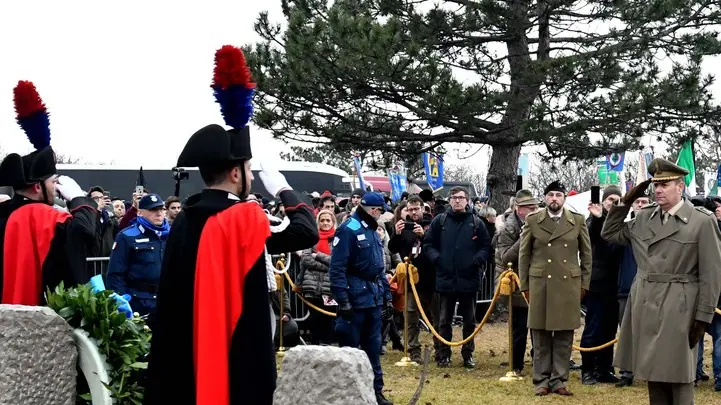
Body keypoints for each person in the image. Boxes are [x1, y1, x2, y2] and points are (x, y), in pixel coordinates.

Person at [144, 45, 318, 405]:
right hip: (237, 354)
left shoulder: (185, 218)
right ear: (237, 172)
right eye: (251, 169)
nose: (253, 176)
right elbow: (305, 230)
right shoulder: (245, 218)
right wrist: (284, 188)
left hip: (187, 351)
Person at [601, 158, 721, 405]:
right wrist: (624, 202)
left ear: (680, 186)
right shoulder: (645, 217)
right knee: (652, 371)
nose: (658, 190)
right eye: (655, 185)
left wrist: (704, 315)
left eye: (665, 185)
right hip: (645, 301)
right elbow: (609, 233)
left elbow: (712, 274)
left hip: (680, 303)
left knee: (679, 375)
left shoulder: (702, 220)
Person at [0, 80, 97, 305]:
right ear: (37, 187)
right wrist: (80, 199)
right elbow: (84, 232)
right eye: (53, 181)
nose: (57, 187)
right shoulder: (49, 217)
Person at [519, 180, 592, 396]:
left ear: (564, 199)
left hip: (568, 284)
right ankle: (541, 379)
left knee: (563, 334)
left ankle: (559, 379)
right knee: (540, 334)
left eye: (558, 195)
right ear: (544, 198)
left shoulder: (577, 221)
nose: (554, 199)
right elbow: (524, 255)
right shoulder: (533, 221)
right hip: (540, 283)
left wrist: (584, 283)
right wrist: (525, 285)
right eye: (550, 195)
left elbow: (587, 255)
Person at [330, 192, 394, 405]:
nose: (381, 214)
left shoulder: (373, 231)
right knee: (349, 351)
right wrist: (343, 299)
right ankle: (347, 396)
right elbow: (337, 269)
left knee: (373, 349)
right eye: (380, 210)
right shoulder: (348, 229)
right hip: (354, 298)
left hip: (373, 297)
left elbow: (379, 268)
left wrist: (387, 298)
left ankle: (375, 392)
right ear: (373, 210)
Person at [424, 186, 492, 369]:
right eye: (453, 197)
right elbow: (428, 244)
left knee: (469, 321)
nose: (457, 201)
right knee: (444, 320)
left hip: (469, 279)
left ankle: (468, 354)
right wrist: (437, 259)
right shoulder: (440, 221)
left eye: (460, 198)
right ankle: (443, 354)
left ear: (467, 200)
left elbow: (486, 247)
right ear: (449, 200)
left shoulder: (477, 222)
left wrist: (477, 260)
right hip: (445, 278)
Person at [106, 193, 170, 329]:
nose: (159, 213)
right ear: (140, 213)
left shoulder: (172, 235)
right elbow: (115, 274)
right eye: (153, 210)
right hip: (138, 302)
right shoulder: (127, 236)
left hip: (165, 301)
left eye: (161, 209)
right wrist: (123, 301)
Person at [494, 189, 539, 375]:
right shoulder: (508, 228)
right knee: (519, 326)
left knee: (539, 327)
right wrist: (524, 237)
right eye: (531, 208)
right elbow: (506, 258)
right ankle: (516, 365)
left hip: (537, 280)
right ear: (519, 209)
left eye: (536, 206)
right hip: (517, 282)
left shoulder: (539, 222)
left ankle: (541, 363)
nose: (536, 210)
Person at [581, 185, 623, 385]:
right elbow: (596, 234)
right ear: (603, 201)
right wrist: (599, 216)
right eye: (610, 200)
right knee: (593, 328)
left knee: (609, 330)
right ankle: (587, 370)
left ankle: (604, 368)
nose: (613, 203)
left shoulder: (622, 221)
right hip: (597, 283)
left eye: (617, 200)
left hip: (616, 283)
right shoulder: (594, 220)